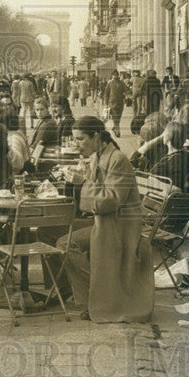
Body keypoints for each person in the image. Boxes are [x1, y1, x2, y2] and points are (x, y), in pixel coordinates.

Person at [58, 116, 153, 323]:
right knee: (51, 230)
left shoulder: (117, 159)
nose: (76, 144)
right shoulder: (99, 156)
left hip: (119, 226)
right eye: (74, 139)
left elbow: (111, 200)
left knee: (66, 243)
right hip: (103, 221)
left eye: (80, 139)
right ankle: (63, 292)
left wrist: (82, 183)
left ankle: (95, 297)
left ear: (97, 137)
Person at [103, 70, 127, 138]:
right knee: (115, 117)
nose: (115, 76)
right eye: (114, 75)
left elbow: (126, 90)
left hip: (120, 103)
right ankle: (117, 131)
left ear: (118, 75)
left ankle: (115, 128)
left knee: (118, 117)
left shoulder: (121, 83)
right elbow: (106, 93)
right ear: (112, 76)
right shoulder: (110, 83)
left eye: (116, 75)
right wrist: (106, 103)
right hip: (112, 103)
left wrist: (127, 94)